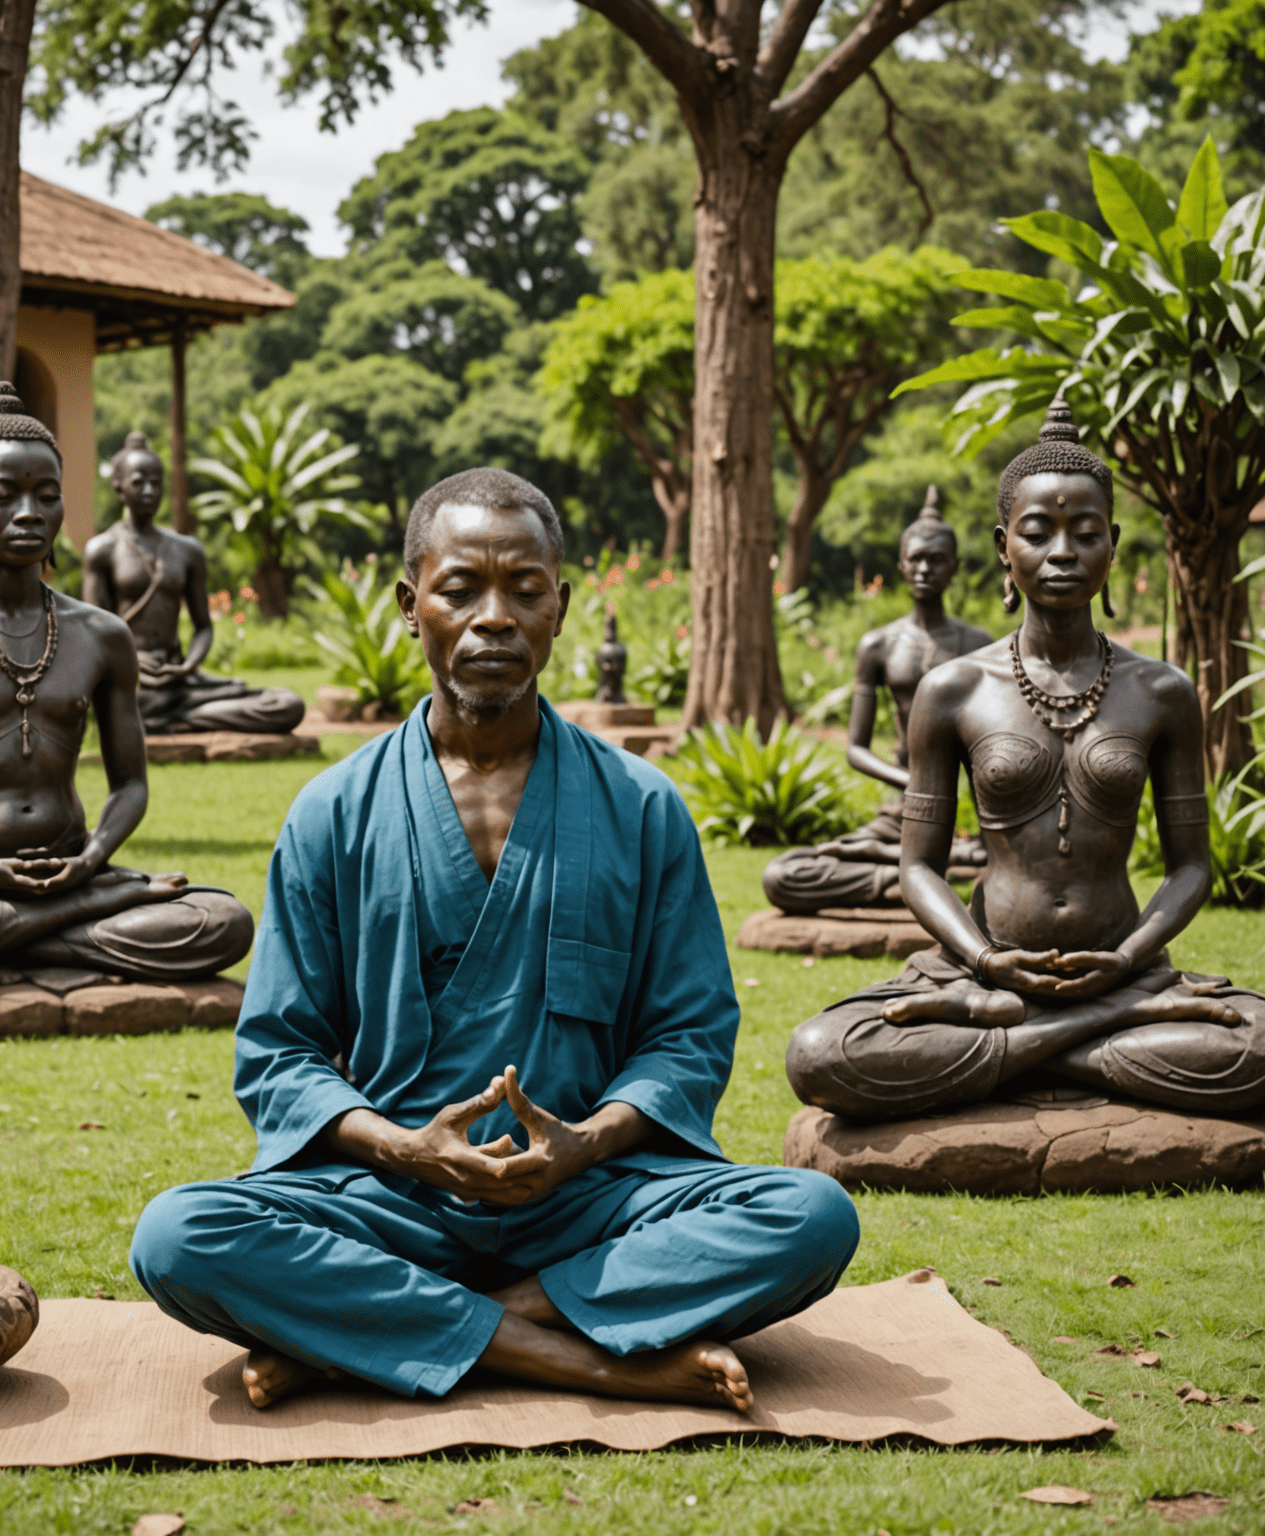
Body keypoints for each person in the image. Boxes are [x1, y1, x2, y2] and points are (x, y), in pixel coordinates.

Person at [131, 467, 859, 1413]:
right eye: (460, 588)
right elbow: (280, 1054)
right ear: (410, 605)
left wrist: (586, 1144)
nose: (493, 617)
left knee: (811, 1217)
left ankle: (371, 1332)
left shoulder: (640, 807)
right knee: (178, 1235)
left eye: (524, 589)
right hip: (390, 1202)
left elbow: (686, 1036)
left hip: (589, 1202)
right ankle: (567, 1352)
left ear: (560, 606)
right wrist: (406, 1151)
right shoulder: (332, 812)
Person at [787, 400, 1265, 1120]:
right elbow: (916, 866)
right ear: (1006, 546)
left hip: (1122, 971)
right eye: (1038, 534)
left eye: (1084, 533)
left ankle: (1035, 1049)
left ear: (1113, 545)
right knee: (819, 1054)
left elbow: (1192, 864)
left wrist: (1129, 964)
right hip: (985, 975)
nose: (1061, 552)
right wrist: (980, 961)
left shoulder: (1161, 692)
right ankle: (1089, 1045)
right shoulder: (955, 689)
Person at [0, 383, 253, 985]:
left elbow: (131, 784)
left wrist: (91, 860)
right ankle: (83, 920)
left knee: (224, 920)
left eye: (47, 496)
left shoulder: (102, 634)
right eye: (2, 495)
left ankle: (28, 937)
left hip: (75, 861)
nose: (28, 514)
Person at [762, 490, 989, 914]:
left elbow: (991, 744)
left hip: (959, 822)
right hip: (901, 814)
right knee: (782, 876)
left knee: (1022, 873)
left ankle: (929, 872)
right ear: (901, 566)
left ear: (954, 567)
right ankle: (903, 876)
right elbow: (854, 749)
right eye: (916, 559)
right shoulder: (879, 646)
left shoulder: (978, 648)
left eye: (936, 559)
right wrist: (914, 785)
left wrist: (986, 830)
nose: (925, 568)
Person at [82, 432, 304, 736]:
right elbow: (95, 632)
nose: (149, 491)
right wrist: (133, 662)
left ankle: (172, 720)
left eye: (156, 483)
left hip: (180, 677)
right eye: (138, 483)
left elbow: (203, 627)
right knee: (131, 703)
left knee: (288, 703)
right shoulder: (103, 549)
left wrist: (188, 666)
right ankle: (167, 717)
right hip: (134, 682)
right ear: (119, 487)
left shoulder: (186, 550)